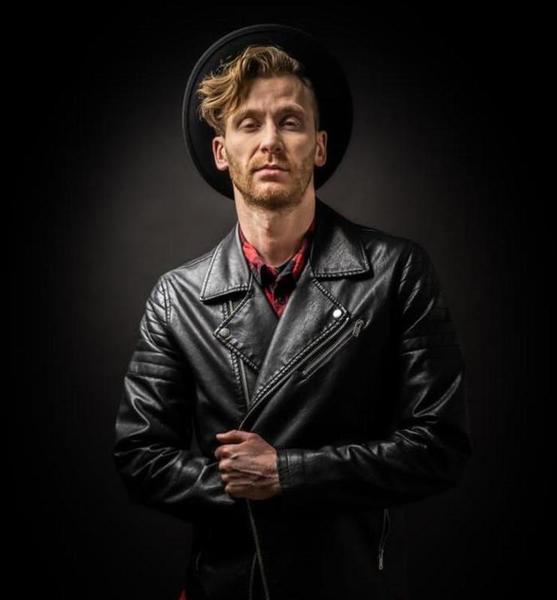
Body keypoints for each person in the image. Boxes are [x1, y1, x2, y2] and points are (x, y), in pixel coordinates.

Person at [112, 24, 472, 600]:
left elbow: (438, 447)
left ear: (319, 146)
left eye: (290, 121)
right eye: (248, 123)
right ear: (222, 151)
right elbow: (140, 457)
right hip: (228, 584)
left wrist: (287, 473)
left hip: (351, 581)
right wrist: (244, 485)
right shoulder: (176, 297)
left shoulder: (396, 271)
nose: (270, 142)